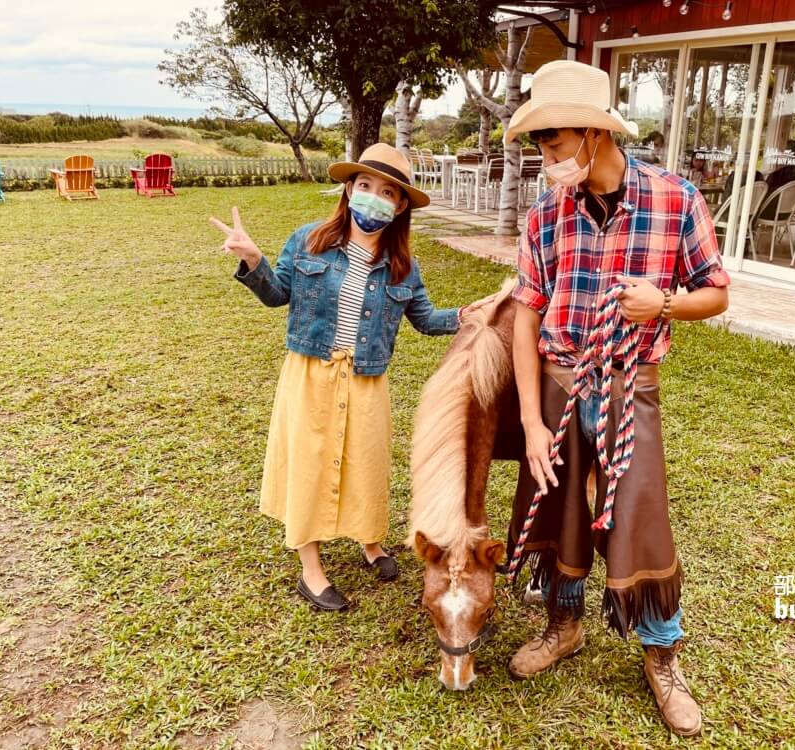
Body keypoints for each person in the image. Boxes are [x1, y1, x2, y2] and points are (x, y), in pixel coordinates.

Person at [503, 60, 730, 738]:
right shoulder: (547, 213)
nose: (546, 160)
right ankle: (564, 624)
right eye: (540, 145)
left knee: (638, 518)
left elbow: (716, 291)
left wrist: (663, 303)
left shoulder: (674, 197)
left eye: (554, 144)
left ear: (596, 136)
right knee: (562, 509)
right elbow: (524, 312)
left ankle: (663, 656)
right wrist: (530, 422)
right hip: (560, 384)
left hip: (632, 385)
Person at [210, 143, 486, 612]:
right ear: (348, 189)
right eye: (365, 187)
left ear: (400, 206)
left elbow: (423, 318)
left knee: (366, 465)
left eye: (387, 193)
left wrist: (465, 315)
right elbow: (278, 296)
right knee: (310, 465)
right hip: (310, 374)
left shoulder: (403, 267)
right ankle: (310, 569)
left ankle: (370, 542)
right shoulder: (308, 240)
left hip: (366, 380)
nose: (373, 198)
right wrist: (253, 260)